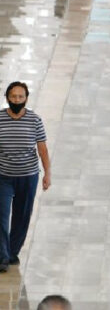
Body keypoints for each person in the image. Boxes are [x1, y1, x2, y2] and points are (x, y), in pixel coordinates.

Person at [0, 82, 51, 272]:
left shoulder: (34, 120)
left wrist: (47, 174)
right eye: (13, 96)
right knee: (2, 217)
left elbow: (42, 149)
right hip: (3, 176)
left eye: (20, 97)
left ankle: (12, 251)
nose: (17, 100)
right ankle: (2, 257)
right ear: (7, 98)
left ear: (26, 99)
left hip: (28, 177)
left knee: (22, 216)